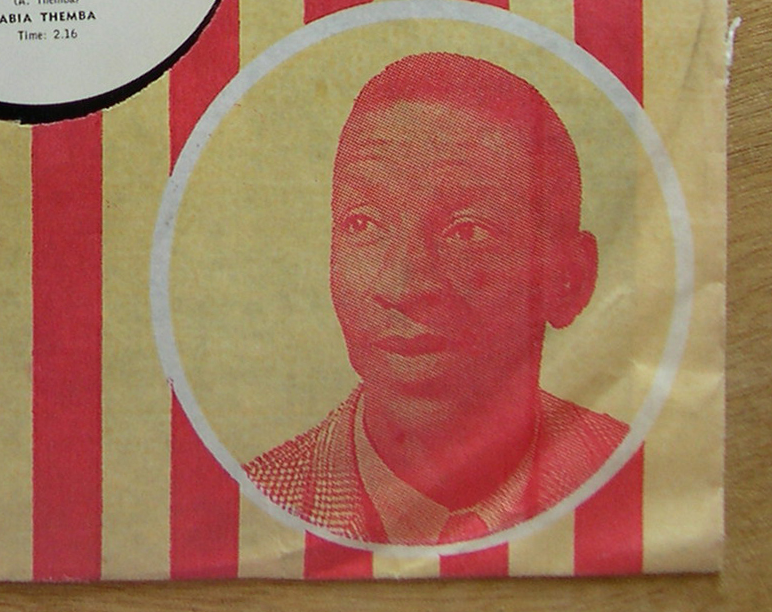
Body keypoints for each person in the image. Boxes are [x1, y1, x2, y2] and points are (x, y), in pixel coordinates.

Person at [246, 52, 625, 544]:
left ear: (568, 279)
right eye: (364, 223)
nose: (401, 285)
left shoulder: (637, 476)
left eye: (467, 231)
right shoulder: (251, 507)